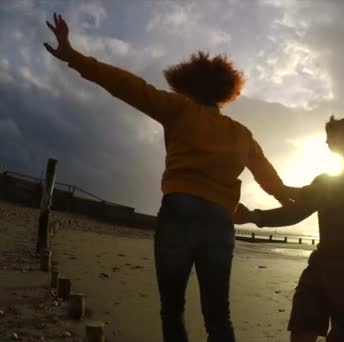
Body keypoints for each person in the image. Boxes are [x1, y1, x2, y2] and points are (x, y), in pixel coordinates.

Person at [44, 13, 292, 342]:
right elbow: (273, 183)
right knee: (219, 315)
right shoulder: (241, 133)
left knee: (172, 309)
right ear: (225, 92)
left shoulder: (178, 109)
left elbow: (125, 85)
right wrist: (302, 199)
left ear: (187, 85)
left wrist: (73, 56)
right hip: (219, 221)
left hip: (179, 211)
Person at [234, 116, 344, 342]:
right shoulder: (323, 181)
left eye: (333, 136)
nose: (328, 143)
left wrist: (281, 188)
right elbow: (295, 213)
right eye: (326, 139)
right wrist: (254, 216)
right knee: (302, 326)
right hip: (321, 263)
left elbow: (324, 191)